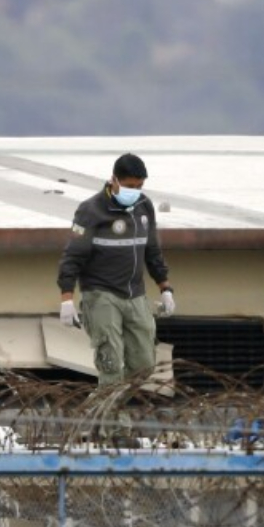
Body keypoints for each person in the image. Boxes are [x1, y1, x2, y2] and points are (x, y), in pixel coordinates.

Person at [56, 153, 174, 388]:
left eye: (140, 186)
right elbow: (73, 256)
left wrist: (165, 287)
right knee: (111, 365)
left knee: (143, 365)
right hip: (101, 295)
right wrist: (66, 299)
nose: (136, 191)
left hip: (135, 293)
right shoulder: (90, 210)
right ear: (114, 180)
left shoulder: (143, 207)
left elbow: (152, 250)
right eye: (130, 186)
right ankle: (115, 425)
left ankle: (96, 414)